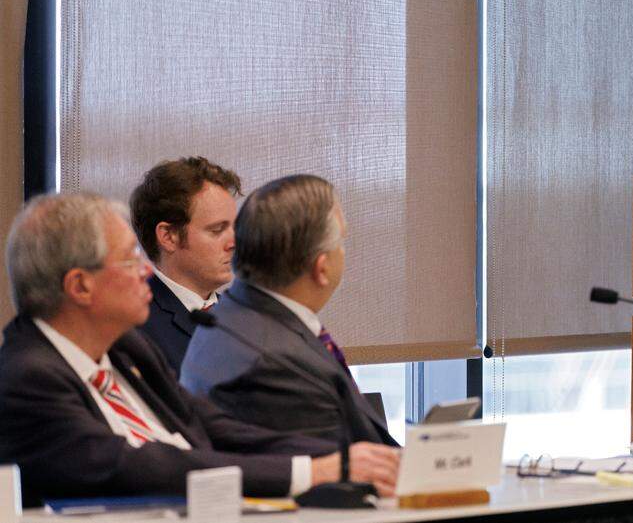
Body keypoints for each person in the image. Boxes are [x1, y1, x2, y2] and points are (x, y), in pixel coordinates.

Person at [0, 193, 400, 504]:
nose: (146, 270)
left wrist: (349, 458)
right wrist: (312, 473)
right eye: (130, 260)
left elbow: (218, 428)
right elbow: (142, 466)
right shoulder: (27, 378)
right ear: (80, 286)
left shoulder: (126, 351)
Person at [181, 175, 398, 447]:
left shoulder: (231, 313)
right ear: (321, 268)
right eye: (341, 243)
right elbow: (341, 466)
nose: (343, 253)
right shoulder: (280, 365)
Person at [130, 157, 240, 370]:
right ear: (168, 236)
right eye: (217, 230)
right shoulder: (135, 324)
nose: (233, 243)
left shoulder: (244, 317)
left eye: (234, 228)